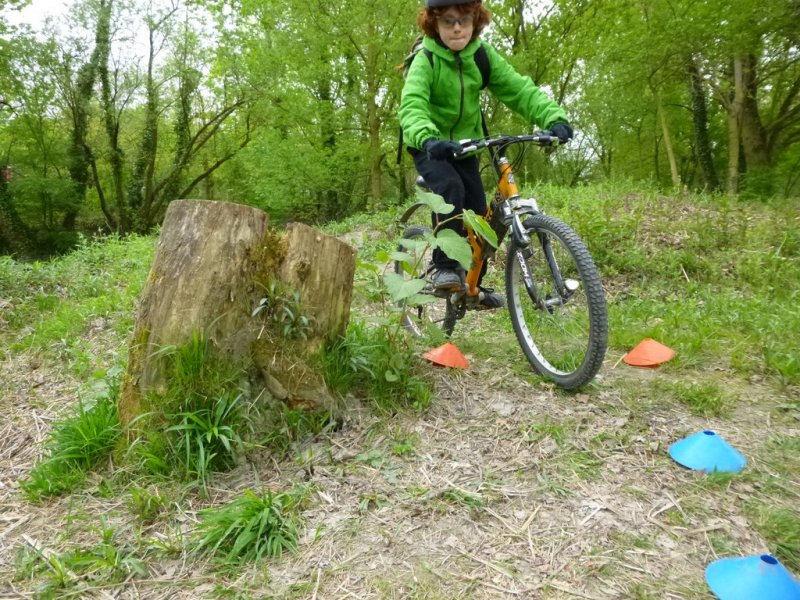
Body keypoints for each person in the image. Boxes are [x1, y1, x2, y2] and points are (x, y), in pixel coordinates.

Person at [399, 0, 573, 308]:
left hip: (466, 146)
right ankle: (443, 266)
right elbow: (412, 106)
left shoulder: (481, 55)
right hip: (432, 147)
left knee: (480, 216)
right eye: (448, 21)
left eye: (463, 20)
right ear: (433, 23)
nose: (456, 28)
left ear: (475, 21)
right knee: (451, 190)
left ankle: (471, 288)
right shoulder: (425, 60)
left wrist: (553, 118)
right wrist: (428, 138)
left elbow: (518, 89)